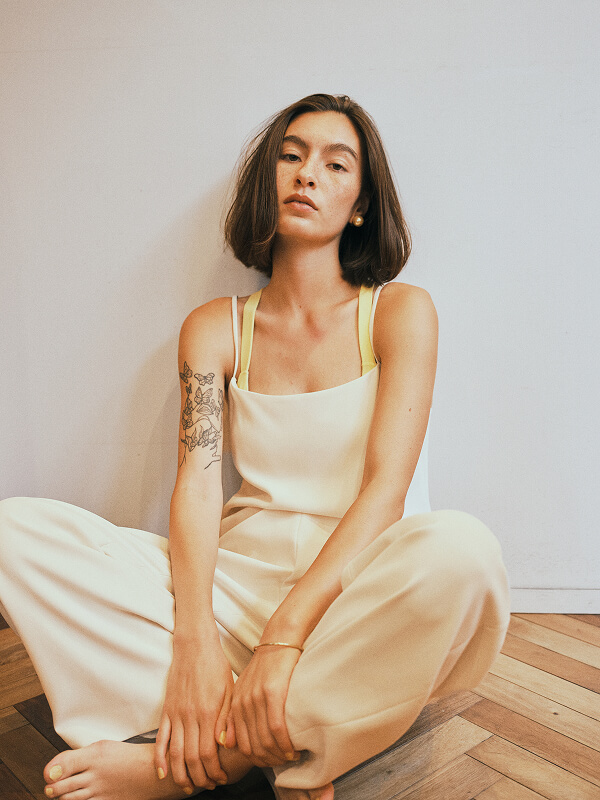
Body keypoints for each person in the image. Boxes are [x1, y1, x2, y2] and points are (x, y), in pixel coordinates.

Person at [0, 93, 510, 800]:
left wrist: (286, 639)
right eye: (291, 156)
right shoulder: (216, 327)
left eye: (336, 165)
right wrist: (195, 643)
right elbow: (198, 486)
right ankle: (291, 724)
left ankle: (208, 757)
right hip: (237, 594)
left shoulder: (400, 312)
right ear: (266, 182)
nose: (307, 174)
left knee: (464, 553)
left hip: (354, 599)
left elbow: (386, 493)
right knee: (15, 532)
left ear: (360, 205)